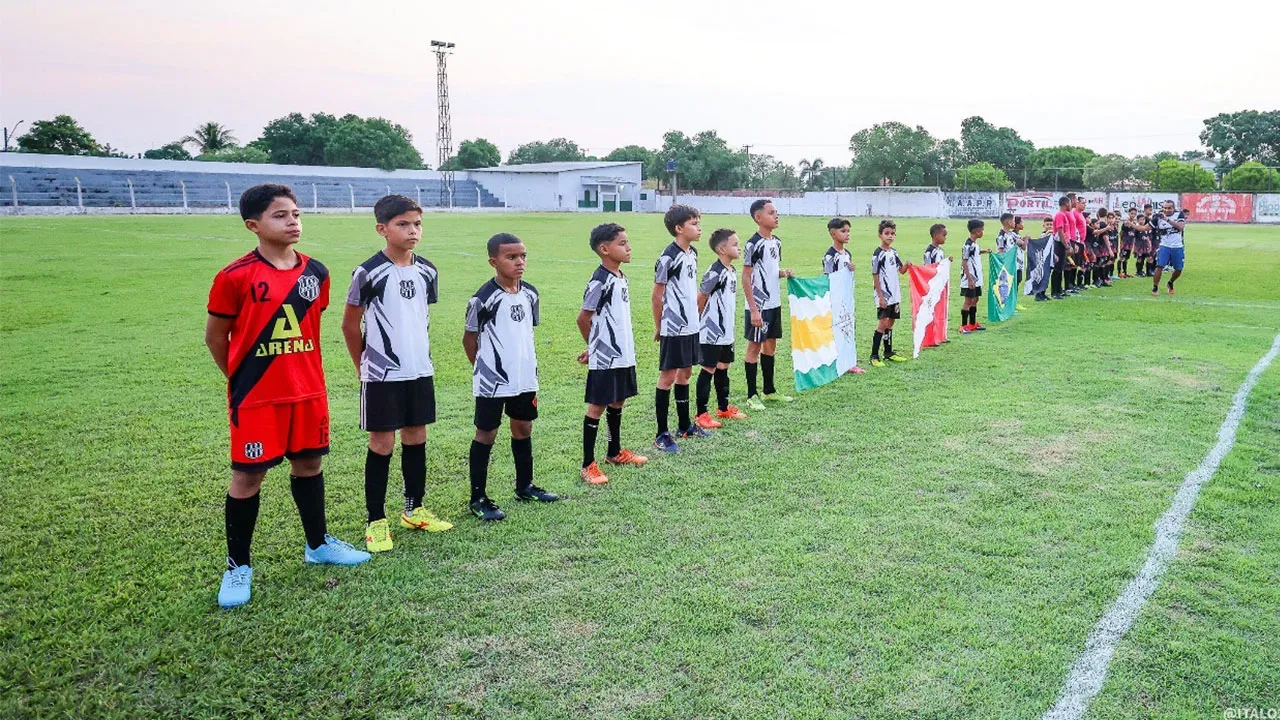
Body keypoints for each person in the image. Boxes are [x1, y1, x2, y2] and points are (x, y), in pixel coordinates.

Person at [205, 184, 369, 609]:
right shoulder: (234, 276)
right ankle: (237, 565)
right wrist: (243, 379)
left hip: (308, 391)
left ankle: (317, 545)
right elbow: (215, 337)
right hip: (258, 398)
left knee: (310, 464)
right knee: (248, 476)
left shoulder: (317, 273)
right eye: (281, 215)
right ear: (253, 225)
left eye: (296, 213)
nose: (293, 221)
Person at [342, 195, 452, 555]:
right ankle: (376, 520)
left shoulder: (428, 270)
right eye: (403, 224)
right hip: (382, 374)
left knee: (416, 436)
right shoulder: (367, 272)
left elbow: (417, 317)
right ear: (382, 229)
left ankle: (414, 509)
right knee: (382, 443)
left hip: (419, 368)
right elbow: (349, 325)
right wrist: (364, 367)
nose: (412, 231)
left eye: (417, 224)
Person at [463, 233, 559, 522]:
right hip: (493, 381)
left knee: (523, 428)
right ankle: (478, 497)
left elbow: (526, 332)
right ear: (494, 261)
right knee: (486, 433)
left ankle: (525, 486)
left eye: (523, 256)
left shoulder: (531, 294)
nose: (519, 262)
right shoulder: (483, 298)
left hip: (524, 376)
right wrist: (483, 368)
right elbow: (469, 339)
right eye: (511, 257)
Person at [576, 223, 649, 486]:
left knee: (618, 401)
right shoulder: (600, 280)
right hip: (607, 357)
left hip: (624, 353)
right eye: (622, 243)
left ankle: (614, 452)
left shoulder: (620, 276)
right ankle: (587, 464)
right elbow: (583, 318)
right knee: (597, 406)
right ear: (605, 249)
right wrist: (595, 348)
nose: (629, 247)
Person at [652, 204, 709, 453]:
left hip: (691, 325)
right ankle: (661, 433)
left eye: (698, 222)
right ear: (678, 228)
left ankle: (685, 425)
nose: (699, 228)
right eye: (694, 224)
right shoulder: (668, 257)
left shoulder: (692, 253)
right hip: (673, 328)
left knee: (685, 373)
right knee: (667, 377)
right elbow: (657, 295)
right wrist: (659, 326)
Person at [742, 199, 796, 411]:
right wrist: (754, 308)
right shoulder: (752, 244)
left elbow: (771, 270)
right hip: (759, 305)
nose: (776, 216)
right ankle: (751, 395)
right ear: (758, 217)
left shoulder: (777, 242)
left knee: (770, 345)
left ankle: (769, 390)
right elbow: (746, 277)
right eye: (771, 212)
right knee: (754, 347)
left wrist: (784, 273)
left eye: (777, 212)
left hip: (774, 304)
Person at [694, 228, 750, 427]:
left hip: (726, 331)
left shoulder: (731, 270)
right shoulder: (715, 272)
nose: (739, 247)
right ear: (721, 249)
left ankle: (723, 409)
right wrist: (696, 327)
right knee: (708, 369)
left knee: (723, 367)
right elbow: (700, 300)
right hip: (711, 332)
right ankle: (701, 414)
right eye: (735, 245)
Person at [823, 217, 867, 371]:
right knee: (837, 328)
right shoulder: (830, 256)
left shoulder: (847, 253)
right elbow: (828, 278)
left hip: (847, 298)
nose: (847, 234)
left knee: (848, 328)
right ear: (833, 234)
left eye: (848, 231)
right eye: (843, 231)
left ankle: (849, 361)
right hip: (836, 299)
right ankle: (837, 360)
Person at [869, 219, 912, 364]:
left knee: (891, 322)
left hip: (895, 295)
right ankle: (874, 356)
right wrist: (880, 297)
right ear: (880, 235)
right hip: (884, 295)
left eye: (892, 233)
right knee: (882, 323)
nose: (890, 236)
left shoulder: (894, 252)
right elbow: (875, 275)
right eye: (887, 233)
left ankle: (888, 352)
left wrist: (907, 264)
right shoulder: (877, 254)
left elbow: (901, 271)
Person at [959, 218, 989, 333]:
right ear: (977, 231)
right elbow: (964, 261)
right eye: (982, 230)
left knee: (975, 299)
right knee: (968, 300)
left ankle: (972, 323)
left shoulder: (974, 244)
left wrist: (984, 251)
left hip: (977, 278)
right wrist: (969, 279)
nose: (983, 232)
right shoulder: (967, 245)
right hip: (969, 278)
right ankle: (963, 325)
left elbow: (974, 253)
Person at [1152, 200, 1188, 296]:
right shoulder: (1158, 217)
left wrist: (1167, 219)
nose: (1166, 210)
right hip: (1164, 245)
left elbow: (1180, 227)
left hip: (1177, 246)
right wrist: (1133, 225)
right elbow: (1145, 228)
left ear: (1173, 208)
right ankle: (1155, 287)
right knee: (1159, 266)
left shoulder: (1179, 215)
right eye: (1165, 208)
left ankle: (1170, 282)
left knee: (1179, 269)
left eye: (1169, 208)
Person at [995, 212, 1027, 311]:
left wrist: (1024, 240)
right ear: (1009, 222)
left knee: (1016, 282)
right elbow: (1000, 252)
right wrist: (1003, 264)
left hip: (1017, 264)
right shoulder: (1001, 236)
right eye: (1013, 221)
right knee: (1008, 285)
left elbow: (1023, 246)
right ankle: (1006, 305)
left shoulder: (1012, 234)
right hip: (1008, 265)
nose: (1014, 222)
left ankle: (1013, 303)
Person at [1051, 196, 1072, 300]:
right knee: (1057, 268)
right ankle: (1054, 292)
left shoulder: (1063, 215)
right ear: (1066, 204)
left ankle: (1059, 290)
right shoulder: (1060, 215)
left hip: (1062, 244)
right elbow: (1060, 232)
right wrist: (1066, 245)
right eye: (1070, 203)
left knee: (1061, 267)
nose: (1071, 205)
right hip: (1059, 244)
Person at [1119, 206, 1139, 278]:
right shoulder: (1126, 222)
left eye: (1134, 214)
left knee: (1126, 258)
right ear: (1129, 213)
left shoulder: (1134, 223)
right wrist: (1122, 241)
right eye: (1132, 213)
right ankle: (1119, 273)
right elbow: (1121, 232)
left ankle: (1125, 272)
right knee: (1122, 258)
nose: (1133, 215)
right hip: (1125, 243)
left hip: (1130, 244)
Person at [1134, 208, 1153, 277]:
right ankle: (1139, 271)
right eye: (1140, 220)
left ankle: (1149, 272)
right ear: (1137, 220)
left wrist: (1149, 245)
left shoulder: (1147, 228)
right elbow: (1133, 238)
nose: (1142, 221)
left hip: (1146, 246)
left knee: (1149, 258)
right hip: (1139, 247)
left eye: (1143, 219)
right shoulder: (1136, 228)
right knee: (1140, 259)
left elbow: (1149, 237)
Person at [1143, 203, 1160, 277]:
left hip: (1154, 239)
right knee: (1149, 256)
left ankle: (1152, 270)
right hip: (1148, 239)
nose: (1151, 211)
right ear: (1145, 210)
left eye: (1151, 210)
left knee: (1154, 255)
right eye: (1149, 210)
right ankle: (1148, 271)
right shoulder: (1145, 219)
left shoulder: (1151, 219)